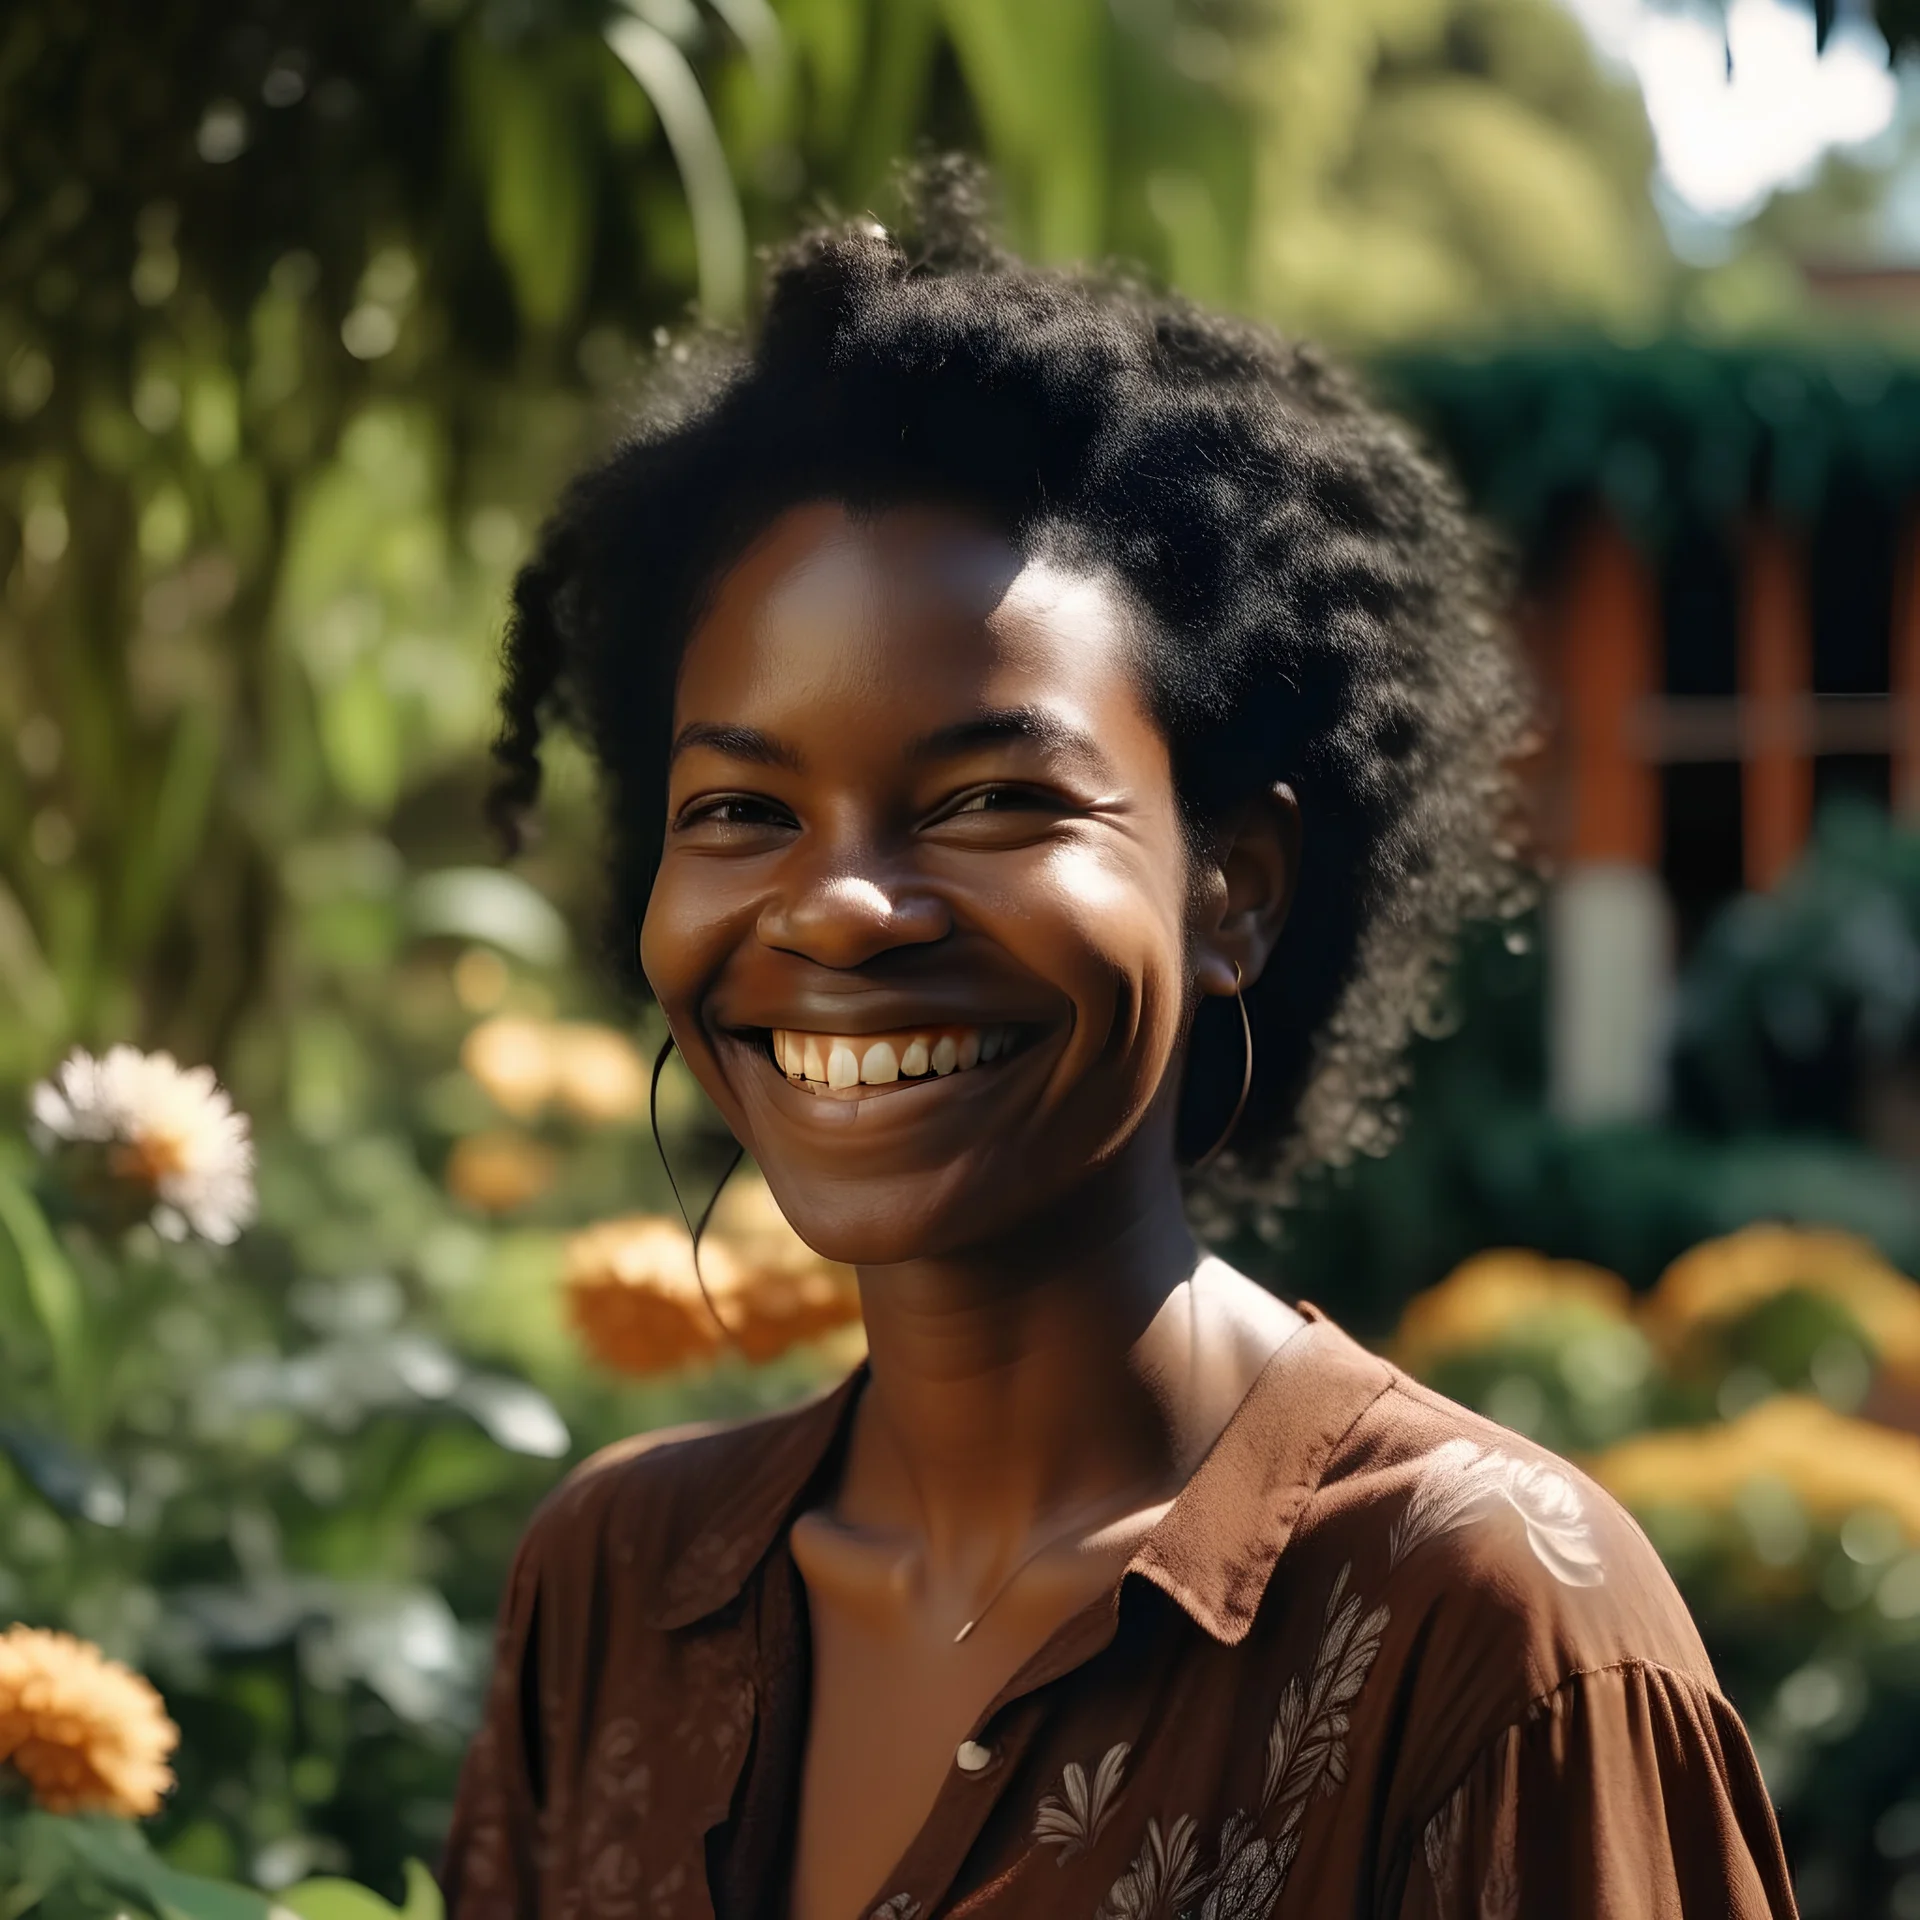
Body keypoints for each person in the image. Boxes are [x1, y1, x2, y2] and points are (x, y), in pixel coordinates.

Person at [441, 165, 1796, 1920]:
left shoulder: (1485, 1634)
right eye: (741, 809)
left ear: (1232, 888)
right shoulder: (617, 1587)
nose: (839, 909)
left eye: (994, 796)